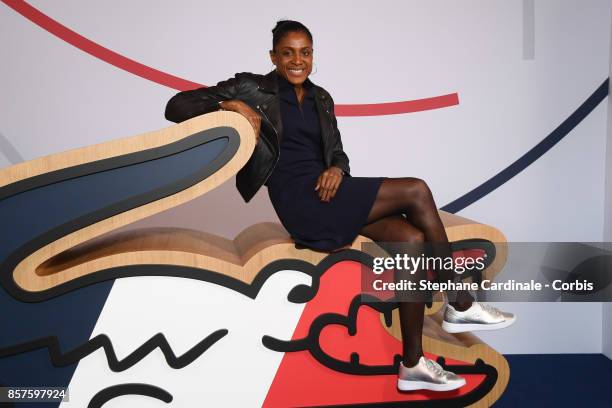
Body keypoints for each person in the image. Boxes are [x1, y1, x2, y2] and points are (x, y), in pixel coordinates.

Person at [165, 20, 515, 392]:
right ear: (274, 57)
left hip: (330, 194)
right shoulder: (253, 88)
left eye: (305, 52)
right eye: (288, 53)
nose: (297, 60)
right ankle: (458, 302)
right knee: (416, 190)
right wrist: (230, 103)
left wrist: (335, 168)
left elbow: (338, 155)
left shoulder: (322, 99)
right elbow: (177, 105)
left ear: (313, 55)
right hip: (300, 202)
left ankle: (413, 365)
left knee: (410, 240)